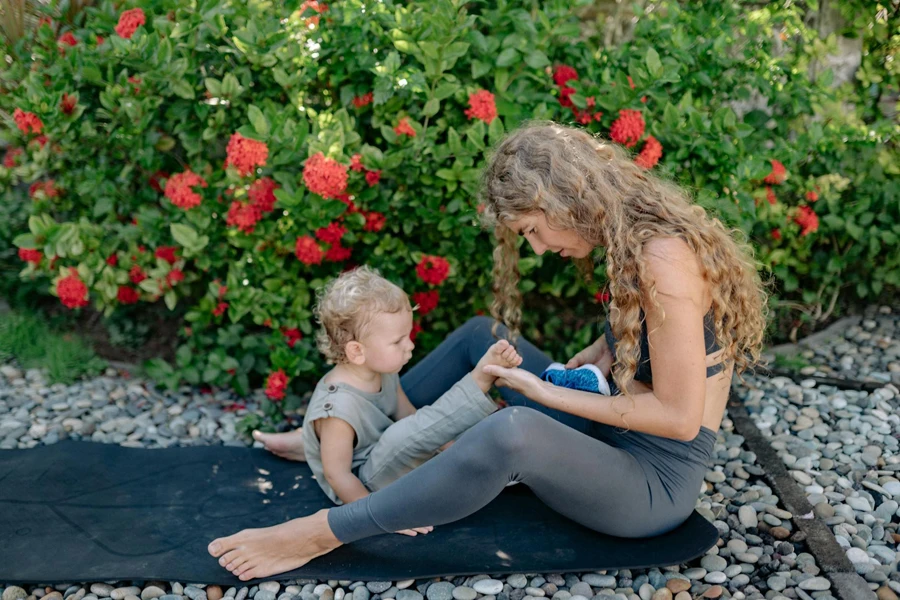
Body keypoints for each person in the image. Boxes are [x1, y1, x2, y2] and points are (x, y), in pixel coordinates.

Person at [208, 121, 768, 581]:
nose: (539, 248)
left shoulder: (661, 255)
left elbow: (677, 417)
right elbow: (655, 334)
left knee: (514, 429)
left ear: (562, 199)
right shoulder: (634, 240)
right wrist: (601, 352)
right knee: (483, 335)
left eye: (530, 229)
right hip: (614, 433)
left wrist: (546, 392)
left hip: (650, 484)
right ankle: (338, 426)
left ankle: (322, 531)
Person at [293, 266, 523, 532]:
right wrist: (378, 517)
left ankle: (467, 457)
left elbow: (410, 416)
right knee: (400, 436)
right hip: (364, 488)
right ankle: (479, 381)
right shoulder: (337, 409)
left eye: (409, 336)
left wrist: (444, 445)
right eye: (398, 341)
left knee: (411, 430)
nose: (410, 345)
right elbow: (338, 476)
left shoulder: (382, 371)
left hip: (388, 460)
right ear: (357, 351)